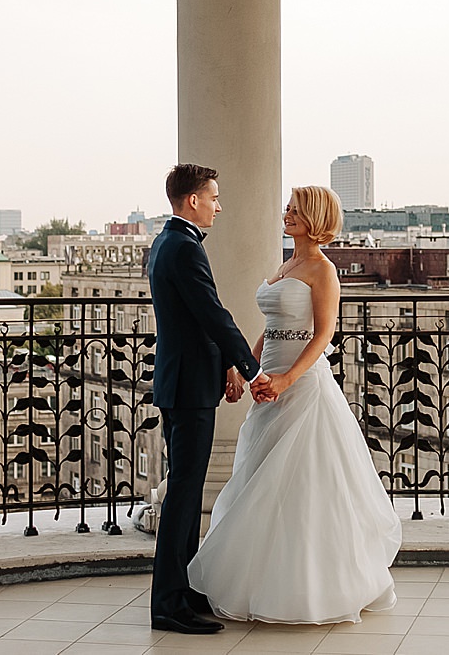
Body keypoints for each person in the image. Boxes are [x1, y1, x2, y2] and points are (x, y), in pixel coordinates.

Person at [188, 185, 402, 624]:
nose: (286, 215)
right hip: (268, 382)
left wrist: (286, 378)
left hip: (301, 385)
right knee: (259, 477)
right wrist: (242, 367)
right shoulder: (288, 263)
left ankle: (311, 588)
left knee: (304, 484)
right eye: (286, 208)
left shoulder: (324, 270)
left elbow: (323, 335)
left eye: (295, 210)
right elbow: (274, 328)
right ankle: (258, 580)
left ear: (316, 218)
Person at [146, 163, 270, 635]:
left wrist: (226, 367)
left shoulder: (168, 242)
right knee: (182, 494)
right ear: (193, 200)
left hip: (185, 381)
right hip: (186, 387)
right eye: (214, 197)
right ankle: (168, 603)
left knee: (187, 489)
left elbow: (198, 319)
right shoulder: (182, 247)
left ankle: (182, 588)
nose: (219, 206)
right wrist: (251, 369)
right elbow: (214, 317)